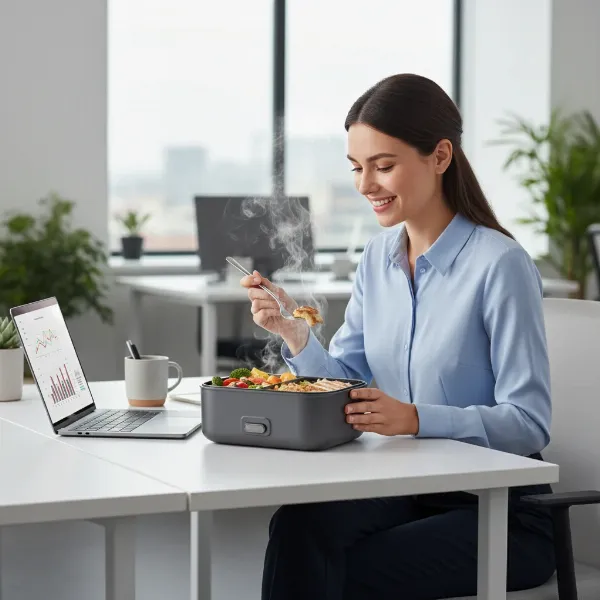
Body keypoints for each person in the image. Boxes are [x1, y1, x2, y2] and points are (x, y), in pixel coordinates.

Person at [240, 74, 556, 600]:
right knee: (299, 527)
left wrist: (414, 418)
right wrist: (297, 336)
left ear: (440, 156)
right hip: (402, 487)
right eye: (357, 168)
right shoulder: (376, 260)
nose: (365, 185)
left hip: (498, 510)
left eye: (383, 166)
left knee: (349, 569)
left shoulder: (501, 265)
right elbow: (348, 385)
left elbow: (528, 424)